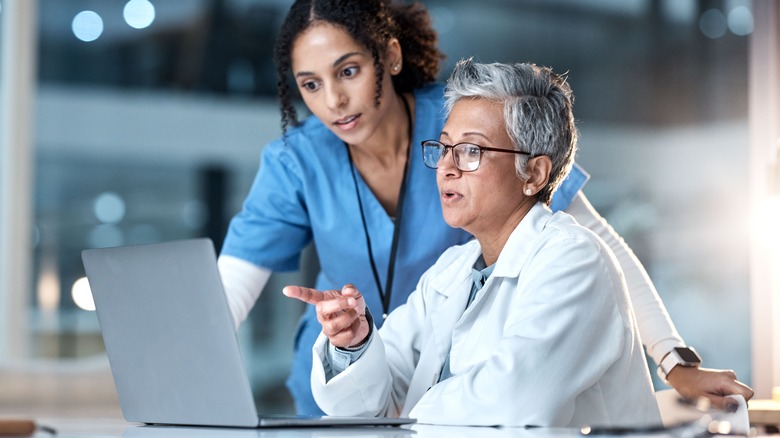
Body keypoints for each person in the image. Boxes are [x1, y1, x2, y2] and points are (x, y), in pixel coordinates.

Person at [218, 0, 753, 415]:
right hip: (404, 394)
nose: (333, 100)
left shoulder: (563, 251)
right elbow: (225, 302)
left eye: (349, 72)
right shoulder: (446, 269)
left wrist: (673, 360)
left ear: (390, 57)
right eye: (310, 84)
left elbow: (598, 250)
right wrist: (355, 345)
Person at [283, 59, 662, 426]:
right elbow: (374, 398)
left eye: (470, 151)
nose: (447, 167)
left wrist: (408, 414)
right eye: (444, 147)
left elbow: (515, 401)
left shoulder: (574, 260)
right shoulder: (454, 269)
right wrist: (355, 344)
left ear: (533, 172)